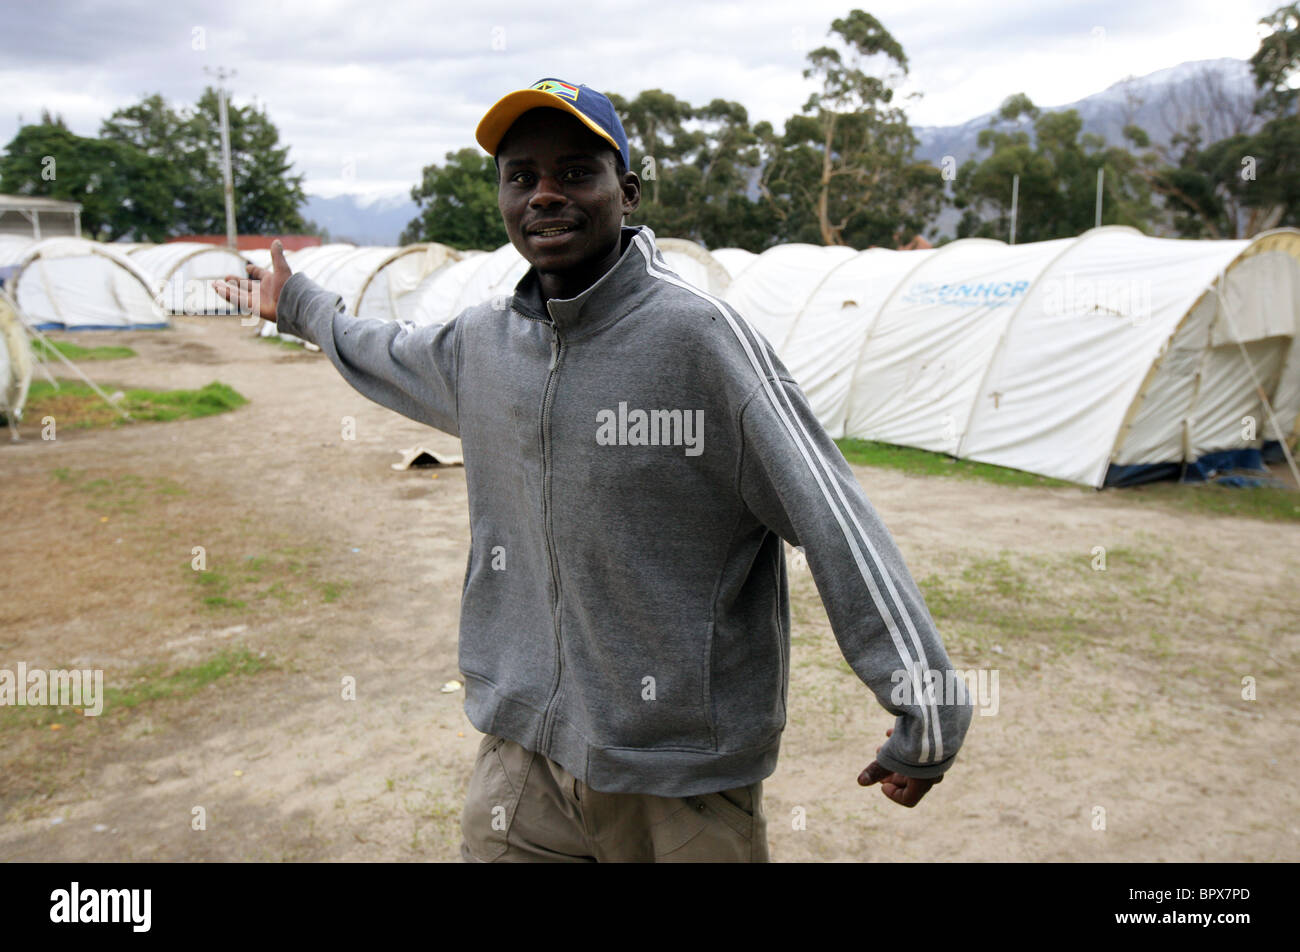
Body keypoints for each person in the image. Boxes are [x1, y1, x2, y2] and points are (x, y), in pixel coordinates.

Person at [215, 77, 973, 863]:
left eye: (576, 172)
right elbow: (382, 351)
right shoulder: (483, 345)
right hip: (521, 762)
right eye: (522, 177)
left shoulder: (699, 342)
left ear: (628, 192)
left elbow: (833, 517)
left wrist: (928, 699)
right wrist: (301, 307)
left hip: (679, 785)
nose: (545, 194)